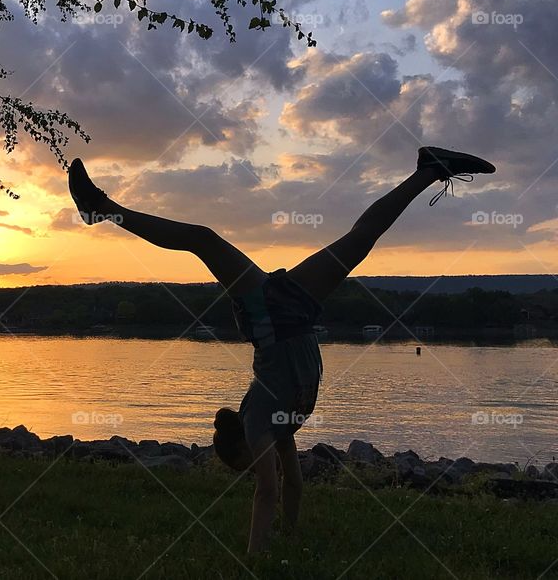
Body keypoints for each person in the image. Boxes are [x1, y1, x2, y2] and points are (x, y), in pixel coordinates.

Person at [67, 147, 495, 553]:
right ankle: (429, 168)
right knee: (363, 237)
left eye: (250, 462)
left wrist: (256, 556)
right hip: (296, 314)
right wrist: (290, 536)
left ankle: (100, 208)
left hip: (268, 316)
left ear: (243, 447)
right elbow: (291, 484)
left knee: (204, 239)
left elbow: (266, 491)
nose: (260, 464)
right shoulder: (281, 427)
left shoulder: (257, 424)